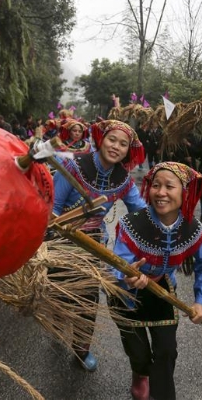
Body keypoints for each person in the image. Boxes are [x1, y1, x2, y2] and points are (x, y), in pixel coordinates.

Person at [110, 162, 202, 400]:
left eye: (169, 186)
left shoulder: (192, 228)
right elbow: (116, 263)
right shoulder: (132, 224)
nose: (160, 193)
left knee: (166, 351)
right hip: (127, 294)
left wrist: (201, 302)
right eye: (156, 185)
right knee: (138, 352)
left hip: (163, 291)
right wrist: (127, 276)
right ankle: (140, 373)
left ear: (185, 192)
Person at [51, 119, 148, 371]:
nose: (116, 146)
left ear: (128, 150)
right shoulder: (73, 165)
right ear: (101, 139)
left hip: (93, 243)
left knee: (89, 296)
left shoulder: (123, 179)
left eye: (123, 144)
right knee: (60, 292)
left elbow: (141, 212)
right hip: (60, 239)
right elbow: (54, 207)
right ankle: (58, 317)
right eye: (112, 139)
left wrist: (167, 222)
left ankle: (82, 348)